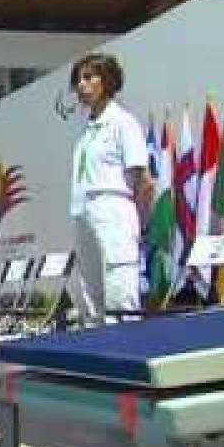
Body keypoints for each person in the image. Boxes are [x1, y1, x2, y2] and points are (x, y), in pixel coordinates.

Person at [68, 53, 152, 324]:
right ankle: (96, 362)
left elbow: (143, 181)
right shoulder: (86, 132)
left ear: (107, 81)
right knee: (90, 295)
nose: (81, 85)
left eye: (88, 77)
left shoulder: (123, 122)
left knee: (119, 293)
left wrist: (137, 223)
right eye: (78, 79)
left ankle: (129, 359)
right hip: (83, 211)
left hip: (114, 208)